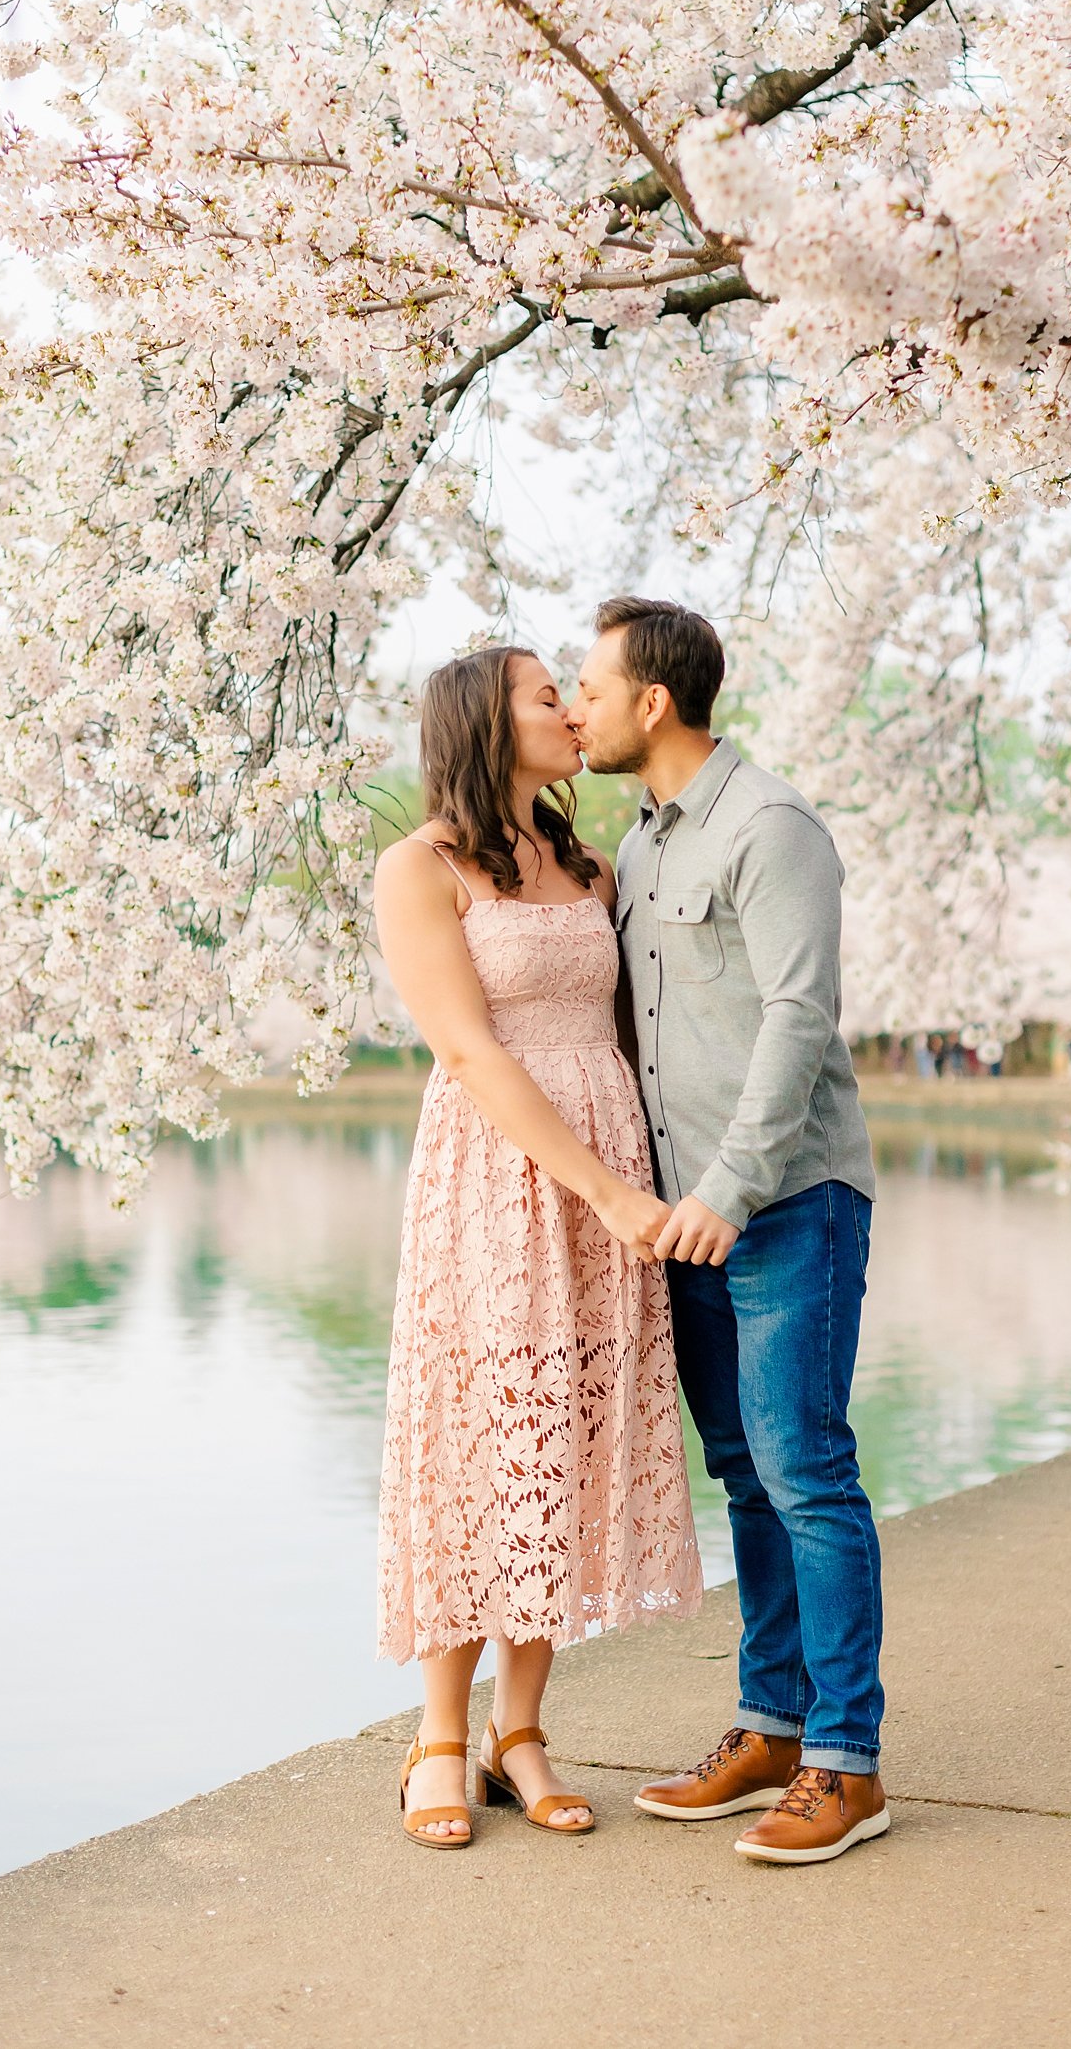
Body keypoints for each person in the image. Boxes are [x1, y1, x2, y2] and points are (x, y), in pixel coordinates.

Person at [568, 597, 888, 1868]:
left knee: (807, 1470)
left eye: (591, 687)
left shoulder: (772, 829)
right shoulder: (641, 852)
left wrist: (731, 1186)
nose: (579, 708)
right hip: (684, 1218)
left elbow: (798, 1024)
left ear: (654, 702)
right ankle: (770, 1725)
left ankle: (848, 1764)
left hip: (787, 1202)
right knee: (746, 1475)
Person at [373, 645, 702, 1851]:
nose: (570, 708)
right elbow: (468, 1051)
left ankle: (523, 1732)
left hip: (606, 1169)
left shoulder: (594, 864)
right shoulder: (420, 868)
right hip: (499, 1180)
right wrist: (605, 1191)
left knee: (558, 1445)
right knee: (482, 1442)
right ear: (482, 721)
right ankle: (441, 1738)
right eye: (543, 694)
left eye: (573, 690)